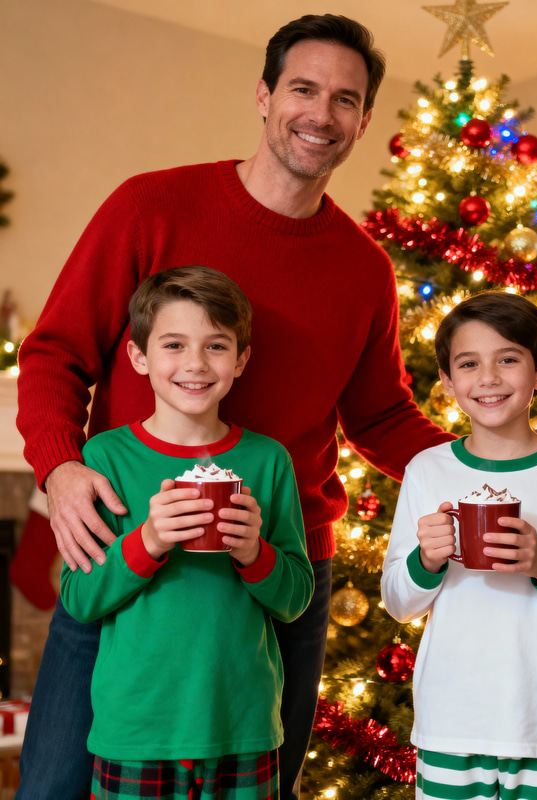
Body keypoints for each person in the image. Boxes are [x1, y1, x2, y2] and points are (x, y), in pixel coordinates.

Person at [15, 15, 454, 800]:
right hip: (125, 547)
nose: (322, 114)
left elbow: (382, 416)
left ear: (363, 120)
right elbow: (57, 352)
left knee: (255, 780)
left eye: (345, 99)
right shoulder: (151, 207)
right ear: (264, 94)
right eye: (304, 89)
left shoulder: (363, 270)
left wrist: (493, 454)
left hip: (281, 569)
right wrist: (62, 468)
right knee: (57, 782)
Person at [59, 265, 314, 797]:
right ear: (139, 357)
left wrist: (253, 552)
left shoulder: (268, 461)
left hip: (243, 725)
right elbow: (79, 598)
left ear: (241, 359)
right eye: (174, 344)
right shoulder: (105, 457)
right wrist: (149, 540)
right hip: (135, 730)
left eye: (217, 346)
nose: (195, 364)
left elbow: (295, 599)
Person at [381, 292, 537, 800]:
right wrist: (426, 560)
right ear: (446, 381)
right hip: (450, 723)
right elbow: (397, 601)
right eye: (468, 363)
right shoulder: (428, 471)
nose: (488, 378)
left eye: (508, 359)